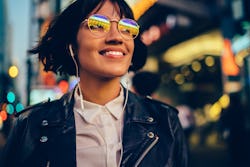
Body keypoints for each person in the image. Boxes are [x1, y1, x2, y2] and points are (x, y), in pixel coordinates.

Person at [0, 0, 188, 166]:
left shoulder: (166, 122)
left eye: (127, 27)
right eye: (98, 25)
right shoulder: (30, 126)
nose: (117, 37)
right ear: (72, 46)